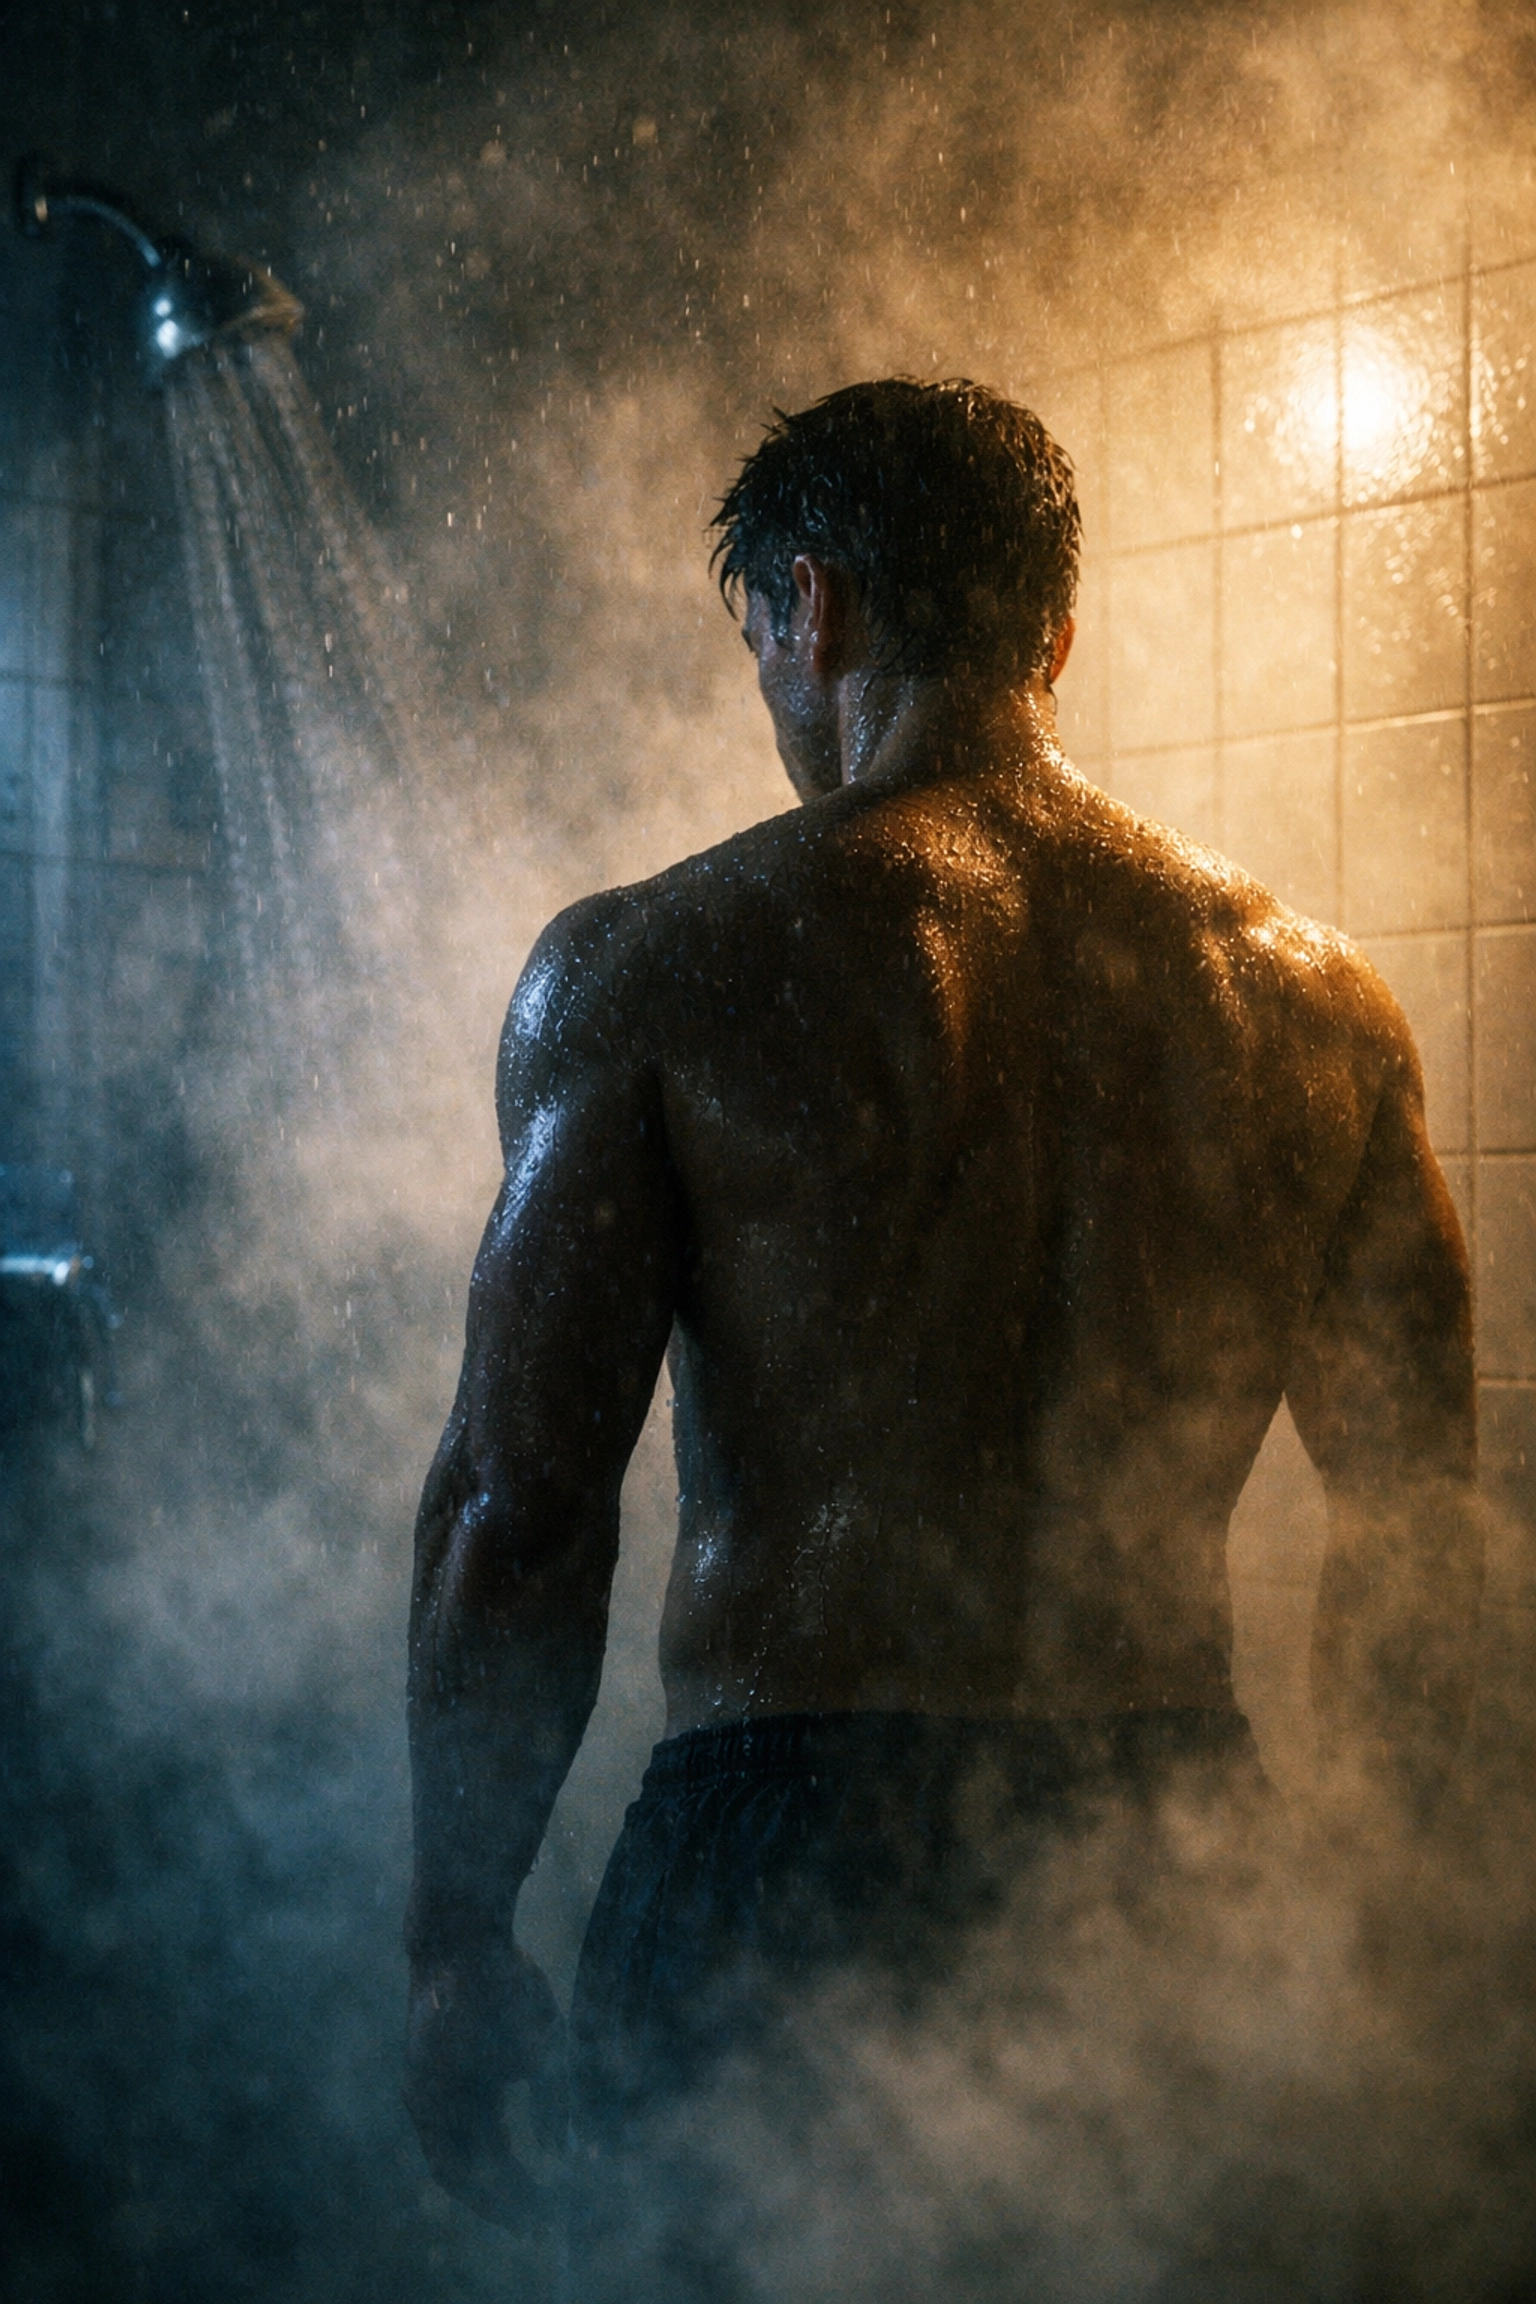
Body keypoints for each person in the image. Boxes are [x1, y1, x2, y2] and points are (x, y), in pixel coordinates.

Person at [402, 380, 1483, 2293]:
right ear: (1054, 635)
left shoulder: (660, 965)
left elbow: (517, 1510)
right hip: (1158, 1854)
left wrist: (455, 1939)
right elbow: (1418, 1535)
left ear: (807, 607)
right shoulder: (1315, 1009)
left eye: (759, 639)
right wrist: (1394, 1947)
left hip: (780, 1854)